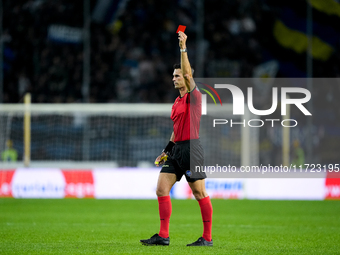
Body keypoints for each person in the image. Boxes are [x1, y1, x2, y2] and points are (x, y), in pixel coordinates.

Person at [140, 31, 213, 246]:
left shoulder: (194, 97)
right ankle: (163, 236)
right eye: (173, 76)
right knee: (161, 188)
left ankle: (207, 238)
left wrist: (183, 47)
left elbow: (189, 75)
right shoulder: (177, 101)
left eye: (177, 75)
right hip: (176, 150)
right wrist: (166, 149)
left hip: (192, 149)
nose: (174, 78)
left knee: (199, 192)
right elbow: (175, 129)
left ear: (187, 78)